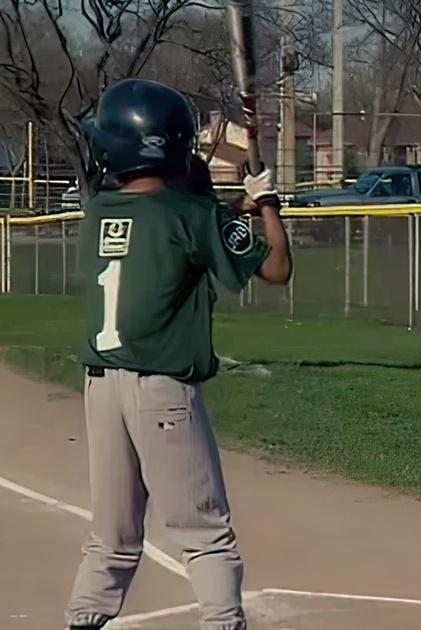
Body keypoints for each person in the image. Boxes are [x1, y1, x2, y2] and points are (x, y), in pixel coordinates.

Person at [66, 78, 292, 630]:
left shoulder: (100, 210)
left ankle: (82, 620)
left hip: (102, 391)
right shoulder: (193, 216)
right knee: (205, 533)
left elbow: (175, 223)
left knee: (111, 538)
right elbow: (276, 269)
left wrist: (231, 207)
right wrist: (266, 205)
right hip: (161, 392)